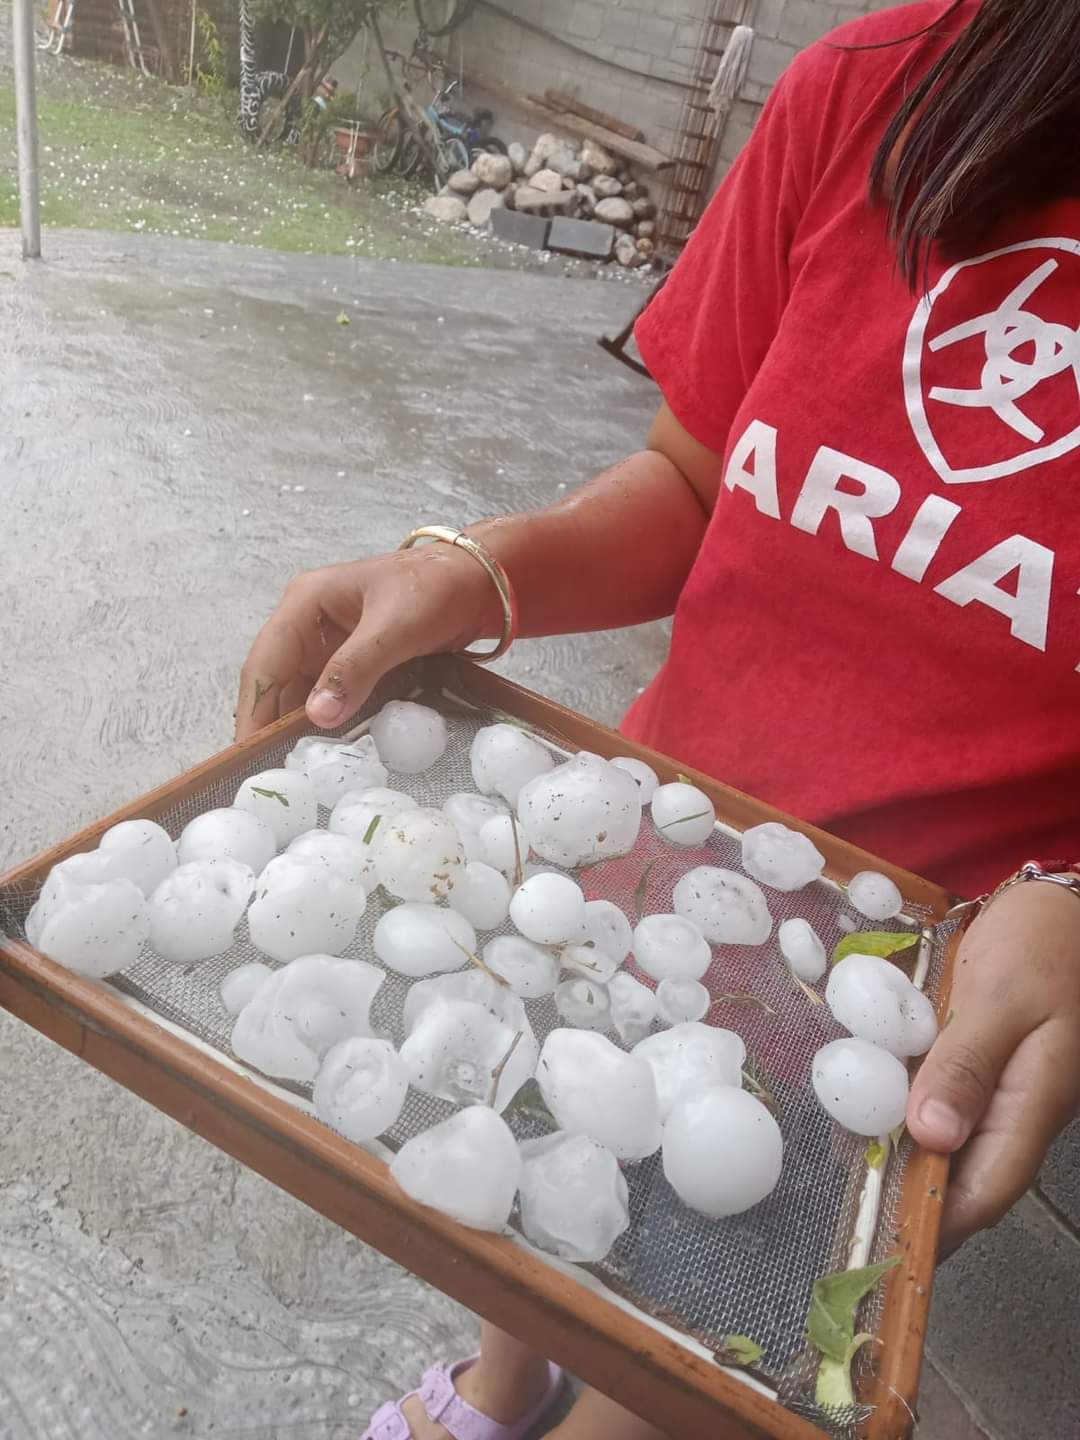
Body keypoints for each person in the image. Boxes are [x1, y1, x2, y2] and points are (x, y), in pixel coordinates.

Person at [236, 1, 1080, 1435]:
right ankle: (504, 1383)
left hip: (897, 996)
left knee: (689, 1335)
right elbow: (695, 487)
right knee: (537, 1128)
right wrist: (470, 569)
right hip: (649, 837)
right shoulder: (879, 84)